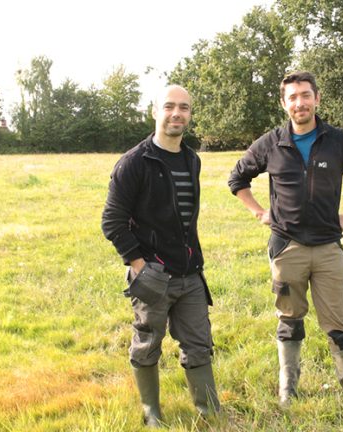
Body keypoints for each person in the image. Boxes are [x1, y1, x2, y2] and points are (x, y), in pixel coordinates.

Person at [228, 71, 343, 410]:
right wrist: (259, 212)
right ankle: (288, 391)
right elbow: (237, 178)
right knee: (289, 319)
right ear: (284, 104)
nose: (299, 103)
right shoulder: (271, 143)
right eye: (293, 97)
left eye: (305, 95)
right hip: (287, 248)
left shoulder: (338, 141)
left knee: (341, 323)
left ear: (317, 99)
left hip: (328, 247)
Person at [102, 85, 220, 427]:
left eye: (184, 107)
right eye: (169, 106)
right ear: (155, 111)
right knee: (147, 342)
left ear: (190, 114)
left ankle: (209, 412)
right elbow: (112, 221)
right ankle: (151, 412)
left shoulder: (191, 159)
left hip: (190, 273)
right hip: (152, 274)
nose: (176, 113)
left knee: (199, 344)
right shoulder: (134, 163)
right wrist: (140, 266)